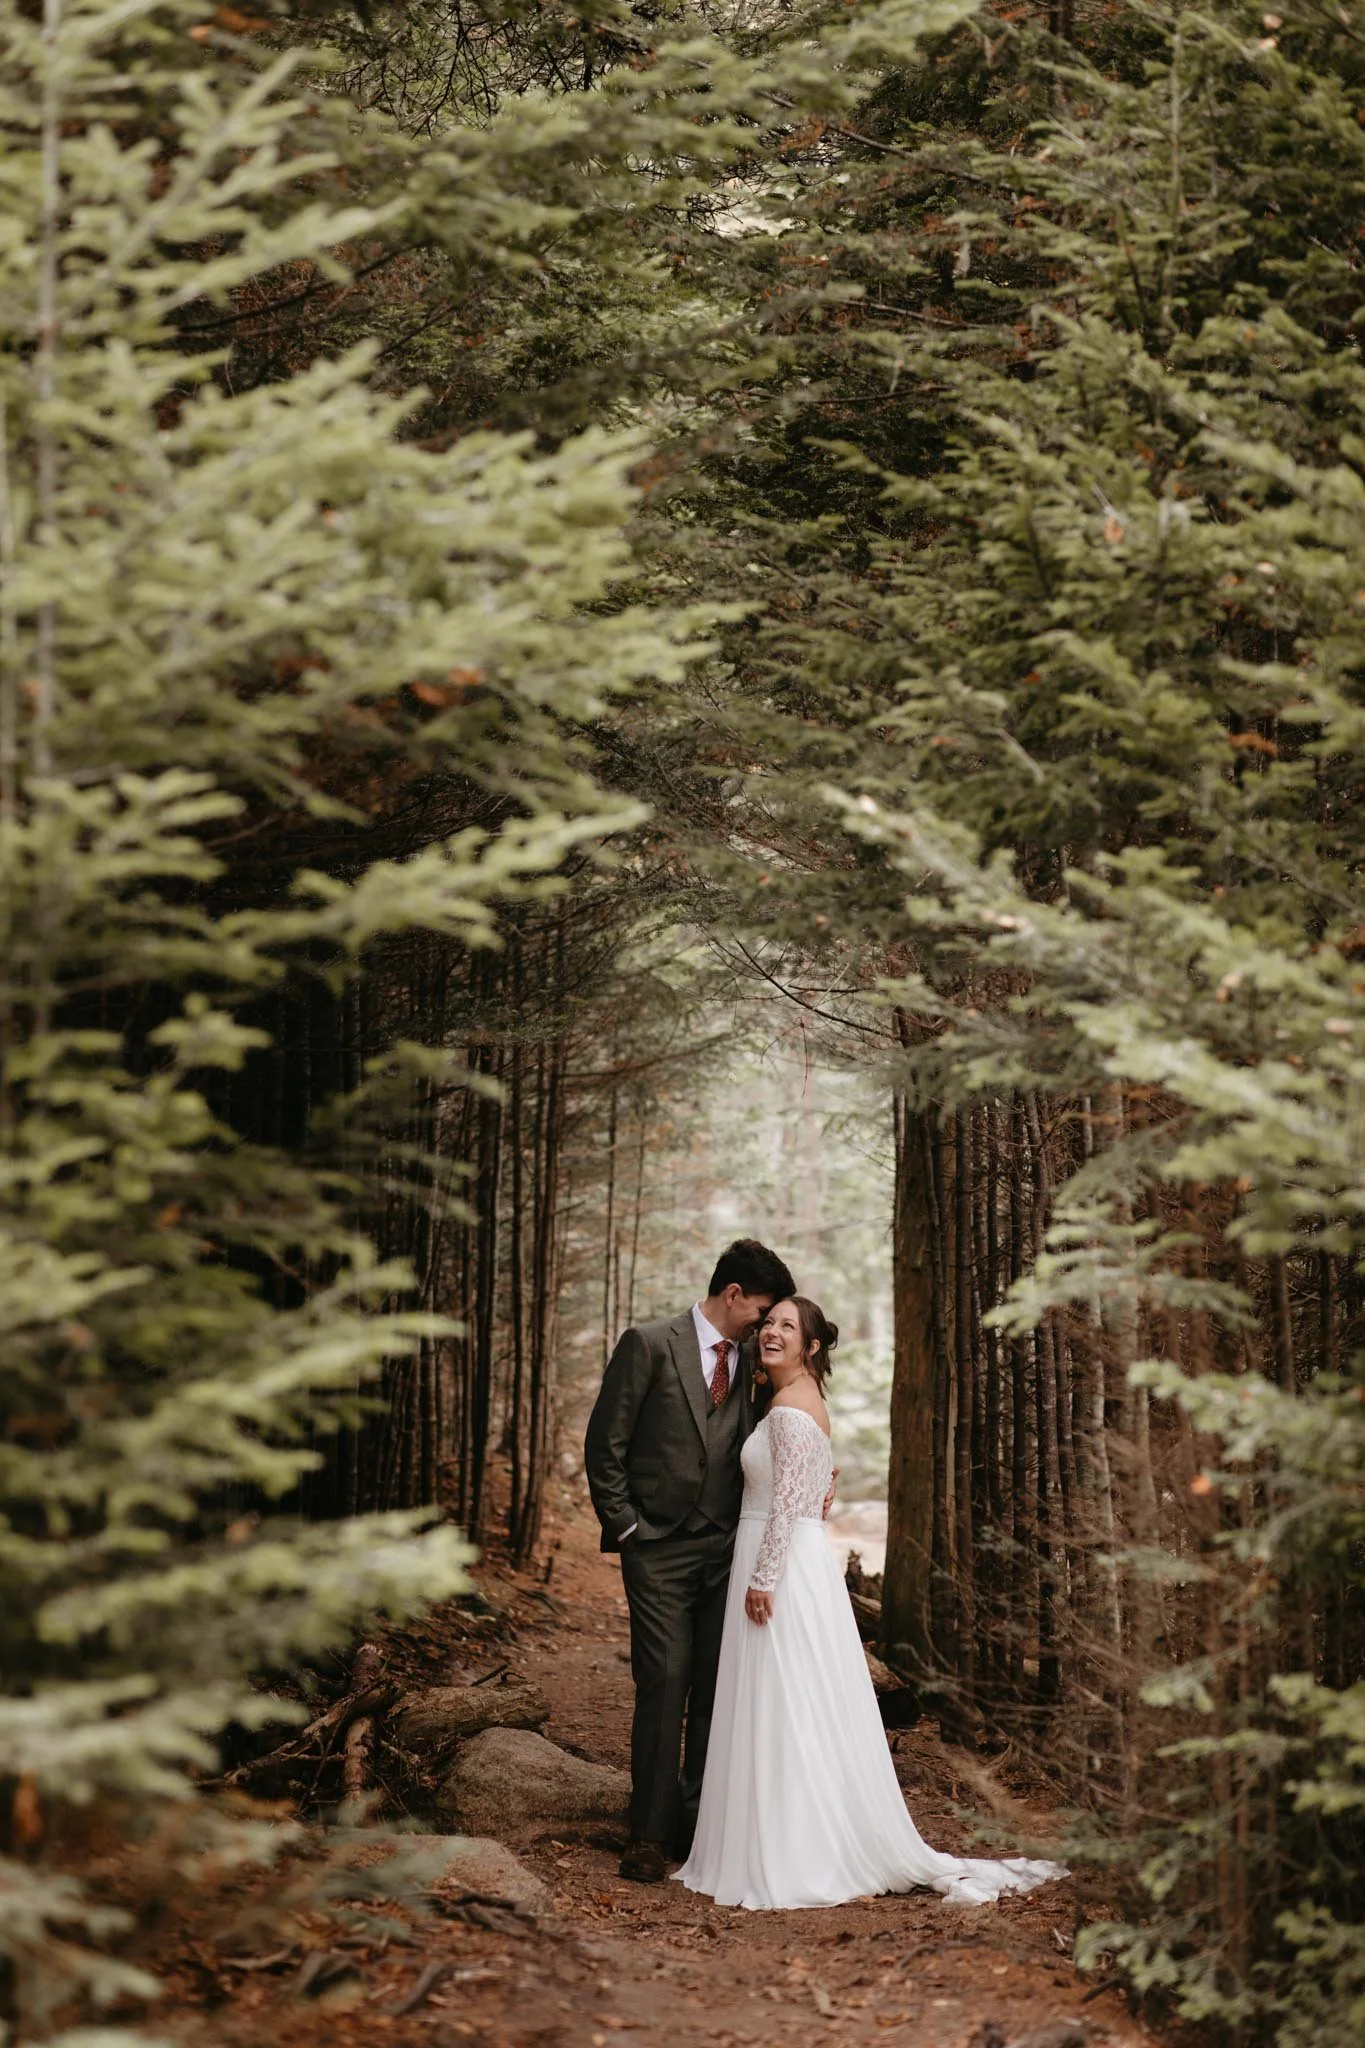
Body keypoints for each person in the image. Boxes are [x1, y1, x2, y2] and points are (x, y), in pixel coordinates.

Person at [675, 1295, 1067, 1911]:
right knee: (782, 1700)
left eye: (787, 1327)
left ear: (811, 1346)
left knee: (784, 1702)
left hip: (778, 1567)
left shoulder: (789, 1408)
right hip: (788, 1558)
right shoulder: (793, 1402)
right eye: (769, 1323)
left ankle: (794, 1851)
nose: (771, 1333)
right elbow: (811, 1495)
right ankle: (770, 1838)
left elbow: (787, 1507)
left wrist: (763, 1575)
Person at [583, 1238, 797, 1884]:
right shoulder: (648, 1345)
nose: (764, 1327)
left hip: (725, 1548)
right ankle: (645, 1835)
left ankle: (696, 1829)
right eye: (760, 1312)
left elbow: (776, 1434)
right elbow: (605, 1444)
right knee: (665, 1680)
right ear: (731, 1295)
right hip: (656, 1548)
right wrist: (627, 1529)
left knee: (713, 1687)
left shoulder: (749, 1365)